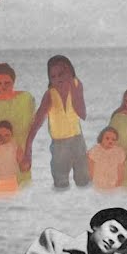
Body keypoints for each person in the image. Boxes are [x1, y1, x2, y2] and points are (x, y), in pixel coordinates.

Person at [24, 55, 89, 189]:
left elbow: (82, 114)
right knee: (60, 185)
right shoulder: (49, 95)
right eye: (53, 76)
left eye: (61, 74)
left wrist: (73, 87)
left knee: (83, 182)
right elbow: (37, 123)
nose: (57, 79)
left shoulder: (77, 85)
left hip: (78, 140)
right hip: (59, 145)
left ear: (69, 72)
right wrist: (28, 150)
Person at [86, 126, 126, 191]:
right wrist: (91, 181)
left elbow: (121, 170)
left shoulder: (119, 152)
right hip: (97, 184)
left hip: (113, 185)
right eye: (107, 138)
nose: (110, 141)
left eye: (113, 139)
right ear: (101, 138)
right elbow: (90, 167)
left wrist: (119, 183)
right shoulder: (95, 150)